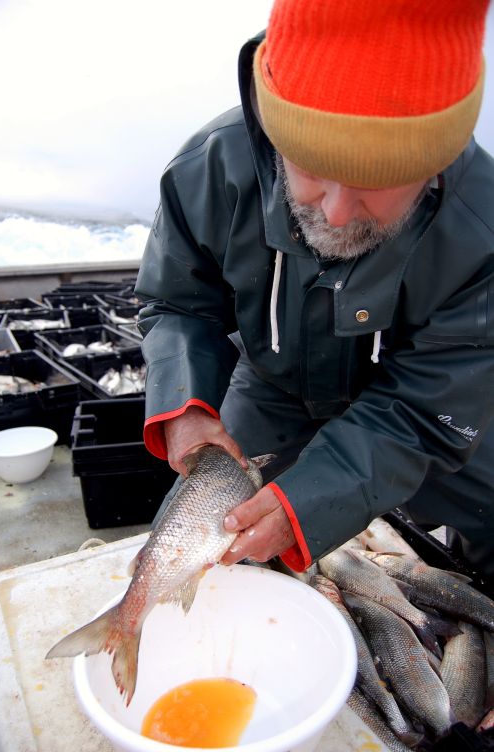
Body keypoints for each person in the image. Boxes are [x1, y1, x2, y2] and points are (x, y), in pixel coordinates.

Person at [135, 0, 494, 579]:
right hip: (274, 386)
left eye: (379, 182)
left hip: (425, 408)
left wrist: (310, 503)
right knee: (202, 547)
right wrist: (187, 406)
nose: (336, 209)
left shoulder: (485, 231)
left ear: (435, 165)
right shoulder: (212, 165)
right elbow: (178, 303)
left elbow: (426, 411)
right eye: (309, 166)